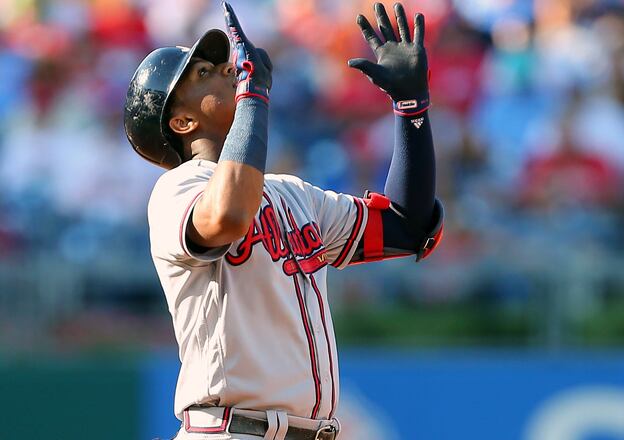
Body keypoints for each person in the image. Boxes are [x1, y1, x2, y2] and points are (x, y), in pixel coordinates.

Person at [123, 2, 443, 439]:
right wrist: (253, 95)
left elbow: (407, 227)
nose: (225, 69)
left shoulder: (293, 193)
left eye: (219, 64)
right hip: (230, 429)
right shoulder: (176, 190)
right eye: (202, 73)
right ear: (181, 121)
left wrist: (411, 109)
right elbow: (230, 216)